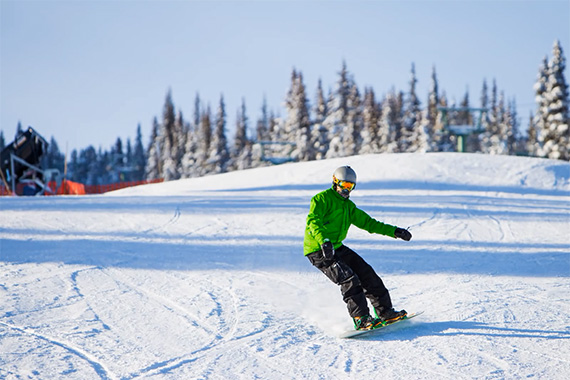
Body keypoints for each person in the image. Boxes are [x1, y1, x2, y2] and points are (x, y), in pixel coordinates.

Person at [304, 166, 413, 331]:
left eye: (350, 186)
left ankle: (385, 313)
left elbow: (369, 223)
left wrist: (394, 231)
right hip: (319, 249)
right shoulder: (322, 199)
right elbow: (314, 221)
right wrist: (324, 241)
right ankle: (361, 318)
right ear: (335, 182)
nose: (346, 190)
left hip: (337, 246)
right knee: (348, 279)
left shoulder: (349, 207)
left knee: (367, 274)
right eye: (344, 185)